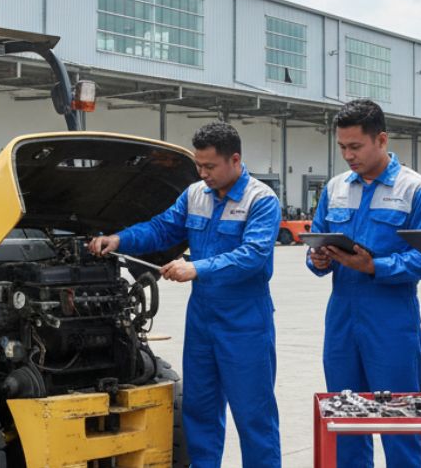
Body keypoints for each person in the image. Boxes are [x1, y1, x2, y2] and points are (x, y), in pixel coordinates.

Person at [88, 122, 281, 468]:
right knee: (200, 409)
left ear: (235, 160)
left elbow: (254, 255)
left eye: (210, 166)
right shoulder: (195, 195)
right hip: (203, 319)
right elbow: (161, 228)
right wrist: (119, 239)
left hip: (245, 321)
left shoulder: (260, 200)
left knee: (254, 414)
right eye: (199, 165)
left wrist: (197, 268)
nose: (203, 173)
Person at [306, 99, 421, 467]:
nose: (348, 155)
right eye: (342, 147)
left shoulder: (415, 190)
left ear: (381, 139)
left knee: (399, 422)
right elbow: (318, 240)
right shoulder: (335, 189)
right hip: (342, 320)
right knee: (345, 420)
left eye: (356, 146)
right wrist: (317, 259)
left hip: (392, 321)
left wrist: (376, 267)